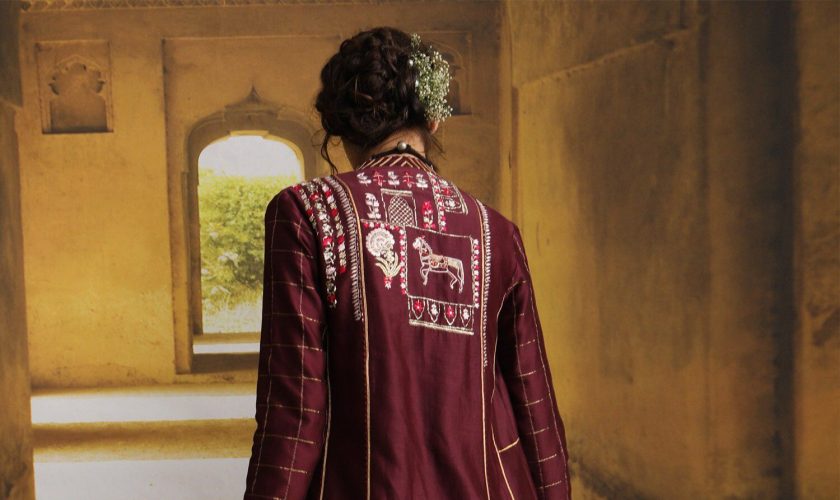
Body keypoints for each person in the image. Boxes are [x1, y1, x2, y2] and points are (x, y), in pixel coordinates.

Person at [243, 26, 571, 500]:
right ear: (432, 120)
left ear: (341, 129)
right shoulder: (497, 233)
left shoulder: (306, 214)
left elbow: (294, 415)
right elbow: (536, 410)